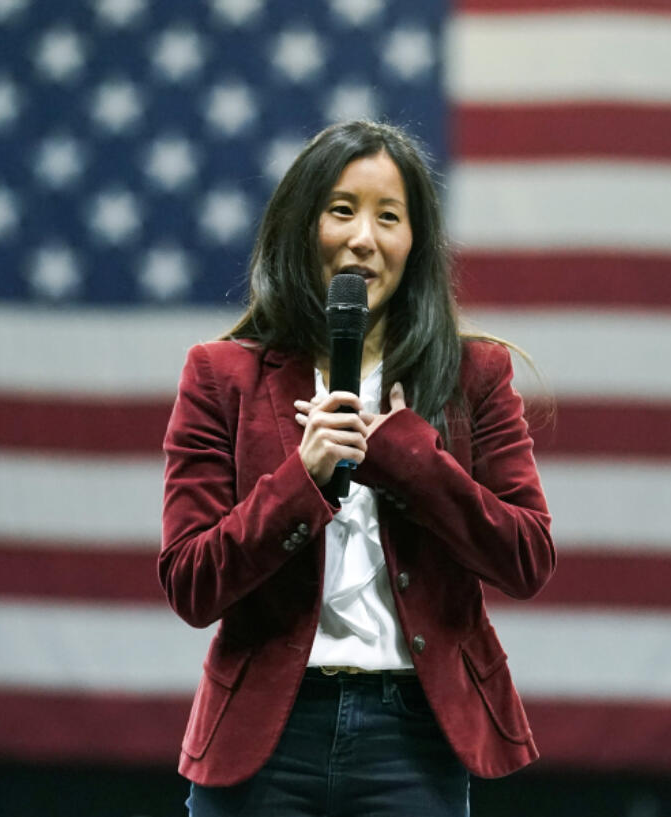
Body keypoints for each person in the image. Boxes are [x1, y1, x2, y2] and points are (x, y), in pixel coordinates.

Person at [158, 119, 555, 816]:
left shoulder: (474, 375)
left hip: (414, 739)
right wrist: (300, 480)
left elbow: (526, 557)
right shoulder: (220, 375)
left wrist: (411, 460)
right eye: (341, 210)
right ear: (300, 224)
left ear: (416, 242)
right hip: (265, 739)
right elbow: (191, 583)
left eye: (389, 217)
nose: (362, 238)